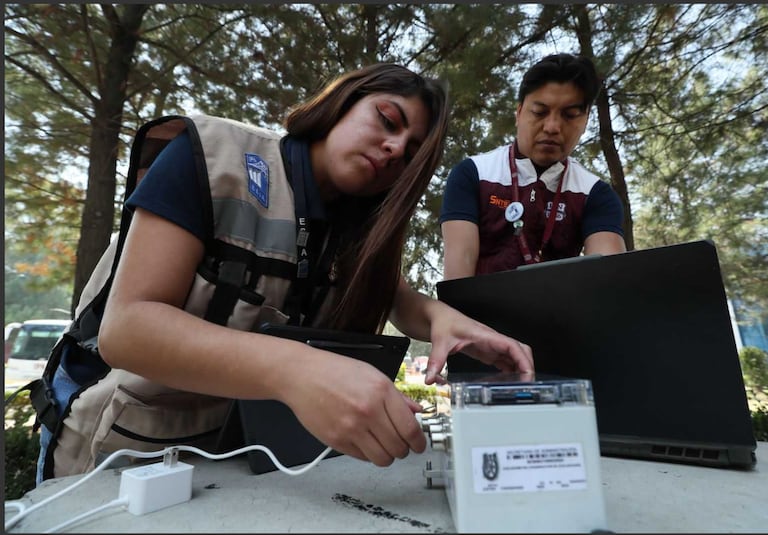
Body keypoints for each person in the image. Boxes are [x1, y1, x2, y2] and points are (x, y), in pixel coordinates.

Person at [35, 63, 533, 483]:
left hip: (242, 470)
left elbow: (399, 299)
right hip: (110, 463)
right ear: (341, 100)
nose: (393, 150)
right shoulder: (211, 154)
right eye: (386, 120)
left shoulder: (355, 231)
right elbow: (127, 331)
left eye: (409, 155)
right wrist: (298, 370)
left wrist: (447, 321)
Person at [438, 53, 626, 374]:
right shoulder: (473, 174)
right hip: (481, 348)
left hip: (564, 348)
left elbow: (606, 281)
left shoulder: (596, 194)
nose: (552, 127)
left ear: (585, 120)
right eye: (540, 111)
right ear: (519, 111)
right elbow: (458, 282)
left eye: (570, 115)